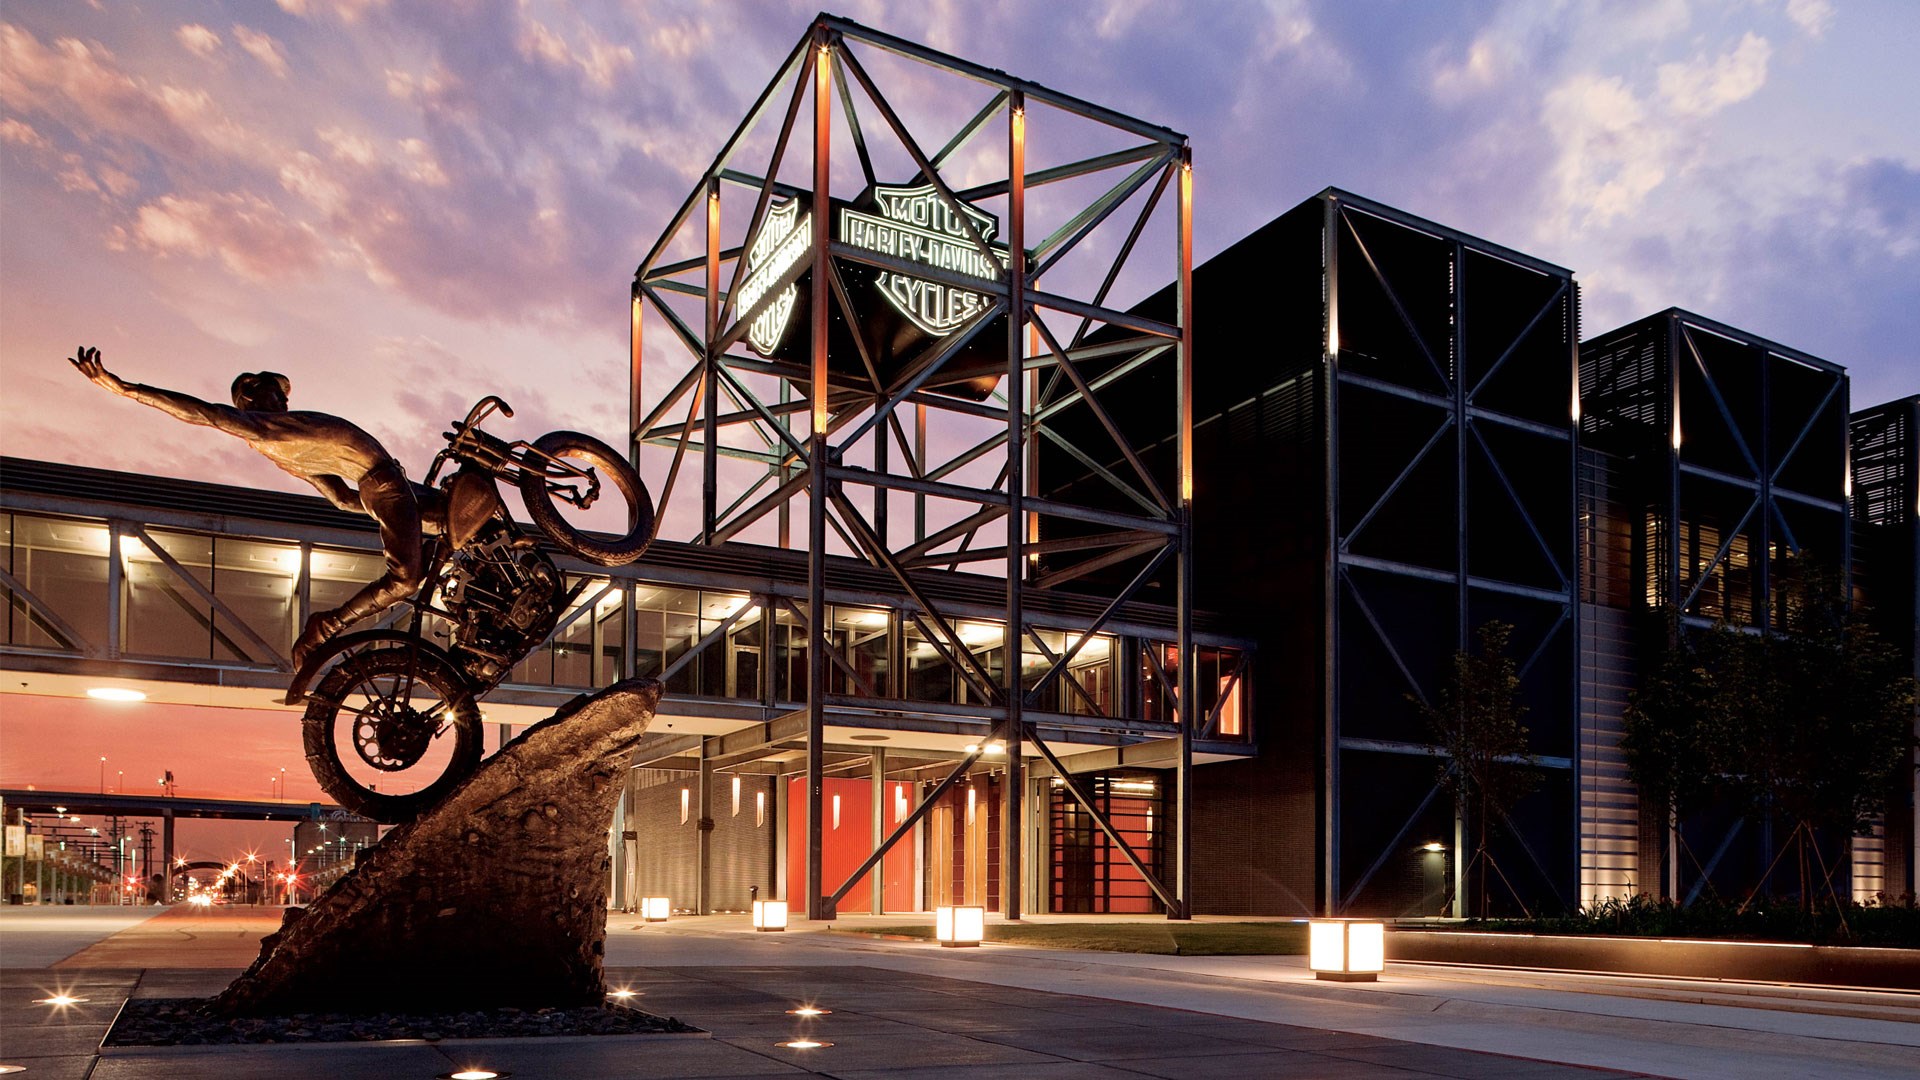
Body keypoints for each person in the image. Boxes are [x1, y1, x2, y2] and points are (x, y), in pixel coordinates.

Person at [68, 346, 427, 669]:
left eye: (283, 395)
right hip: (386, 485)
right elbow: (201, 413)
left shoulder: (286, 439)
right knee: (406, 579)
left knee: (473, 522)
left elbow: (343, 499)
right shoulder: (265, 429)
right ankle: (327, 625)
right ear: (250, 399)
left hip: (392, 487)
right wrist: (125, 388)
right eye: (275, 391)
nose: (284, 401)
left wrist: (402, 519)